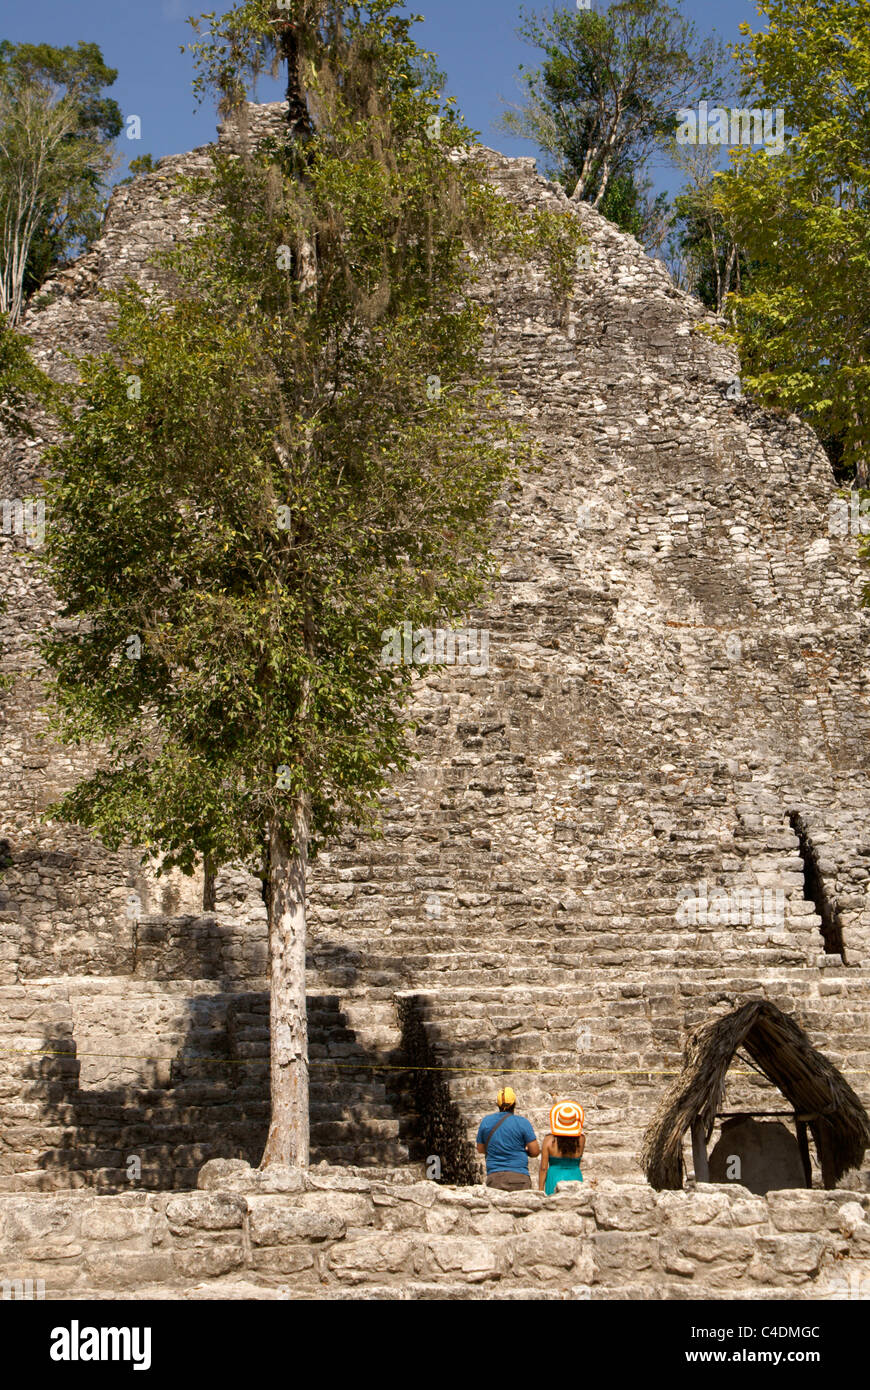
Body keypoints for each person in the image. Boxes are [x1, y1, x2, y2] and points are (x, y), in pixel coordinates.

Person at [476, 1087, 540, 1190]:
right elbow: (535, 1151)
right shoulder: (523, 1122)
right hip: (520, 1176)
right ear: (514, 1104)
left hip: (495, 1176)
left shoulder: (486, 1122)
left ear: (498, 1105)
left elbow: (480, 1148)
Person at [539, 1100, 585, 1194]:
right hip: (575, 1176)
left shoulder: (548, 1141)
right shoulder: (581, 1139)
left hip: (554, 1177)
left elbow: (543, 1168)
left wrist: (540, 1189)